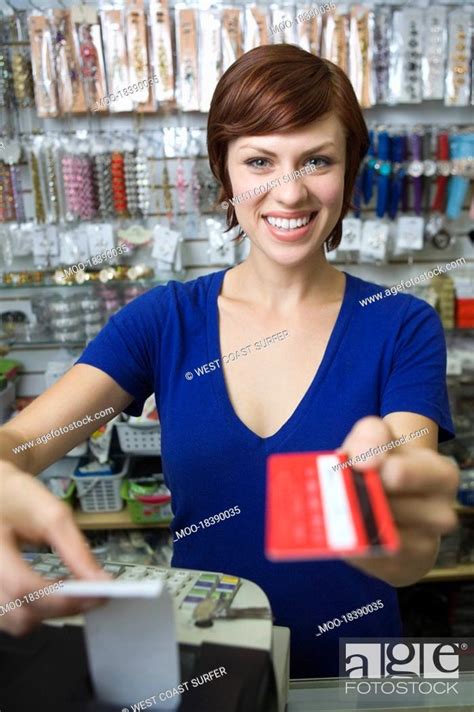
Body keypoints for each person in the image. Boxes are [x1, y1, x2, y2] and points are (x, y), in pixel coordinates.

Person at [0, 45, 458, 679]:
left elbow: (412, 538)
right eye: (260, 160)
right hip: (206, 665)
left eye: (317, 160)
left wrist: (400, 541)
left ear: (350, 170)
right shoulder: (164, 321)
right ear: (226, 172)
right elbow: (22, 441)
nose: (290, 191)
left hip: (363, 670)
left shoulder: (402, 324)